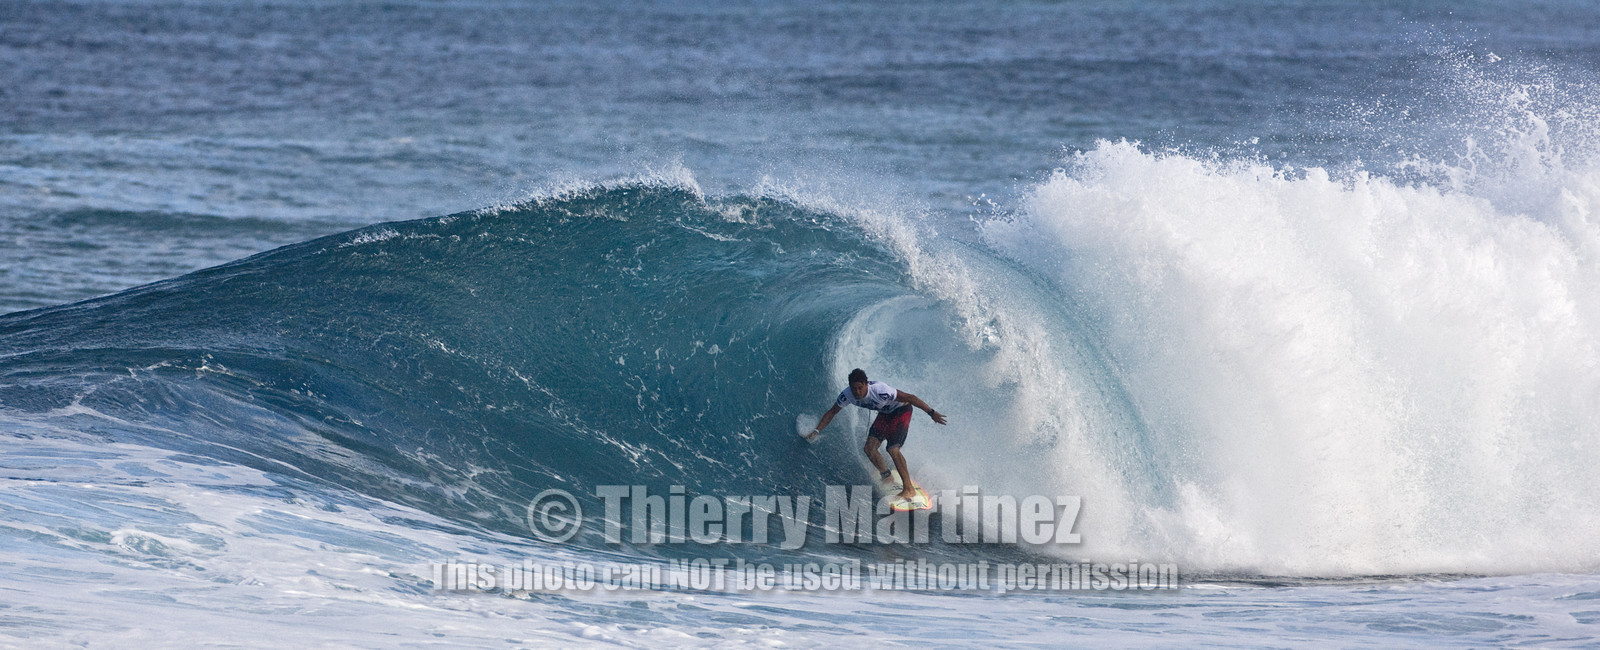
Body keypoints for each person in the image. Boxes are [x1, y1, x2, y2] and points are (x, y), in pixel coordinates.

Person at [804, 368, 947, 501]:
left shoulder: (880, 390)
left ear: (866, 384)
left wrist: (931, 413)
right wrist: (817, 430)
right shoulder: (847, 395)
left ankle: (909, 489)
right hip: (884, 415)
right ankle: (887, 475)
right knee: (869, 449)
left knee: (892, 449)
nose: (857, 392)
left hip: (901, 411)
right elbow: (832, 412)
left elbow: (910, 397)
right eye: (854, 388)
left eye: (860, 388)